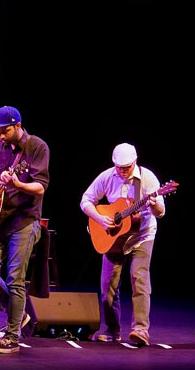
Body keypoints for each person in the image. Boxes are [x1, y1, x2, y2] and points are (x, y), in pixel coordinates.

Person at [0, 105, 50, 354]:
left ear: (18, 125)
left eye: (5, 130)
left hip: (24, 221)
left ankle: (12, 336)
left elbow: (40, 187)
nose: (0, 136)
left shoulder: (37, 147)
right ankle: (19, 313)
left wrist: (18, 182)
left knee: (15, 279)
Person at [80, 143, 165, 346]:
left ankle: (140, 330)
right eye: (119, 167)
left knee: (139, 279)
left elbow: (161, 212)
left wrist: (154, 204)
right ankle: (112, 330)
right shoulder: (107, 176)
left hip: (141, 236)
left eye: (126, 167)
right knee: (107, 286)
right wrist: (100, 219)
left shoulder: (147, 178)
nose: (123, 170)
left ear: (135, 162)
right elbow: (85, 200)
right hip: (115, 238)